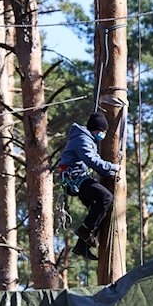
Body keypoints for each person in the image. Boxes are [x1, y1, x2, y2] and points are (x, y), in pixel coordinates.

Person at [58, 111, 120, 260]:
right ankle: (85, 232)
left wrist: (108, 174)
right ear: (96, 129)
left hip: (77, 176)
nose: (103, 135)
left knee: (98, 210)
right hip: (75, 177)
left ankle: (81, 246)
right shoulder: (82, 139)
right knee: (106, 198)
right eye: (102, 131)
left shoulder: (89, 140)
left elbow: (96, 160)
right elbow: (91, 160)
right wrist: (113, 167)